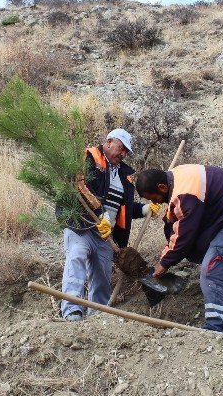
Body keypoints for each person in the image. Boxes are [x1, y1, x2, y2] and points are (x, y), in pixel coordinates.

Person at [135, 165, 223, 334]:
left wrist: (164, 263)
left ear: (162, 187)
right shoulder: (179, 176)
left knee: (214, 273)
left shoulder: (184, 193)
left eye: (153, 198)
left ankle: (214, 332)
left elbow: (184, 234)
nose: (155, 203)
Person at [59, 129, 161, 321]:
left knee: (102, 275)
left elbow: (124, 207)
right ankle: (72, 310)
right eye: (121, 148)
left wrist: (144, 210)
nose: (123, 154)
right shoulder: (89, 157)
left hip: (106, 235)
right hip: (82, 227)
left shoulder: (124, 175)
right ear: (109, 142)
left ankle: (97, 315)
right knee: (76, 259)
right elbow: (80, 186)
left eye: (126, 152)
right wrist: (100, 214)